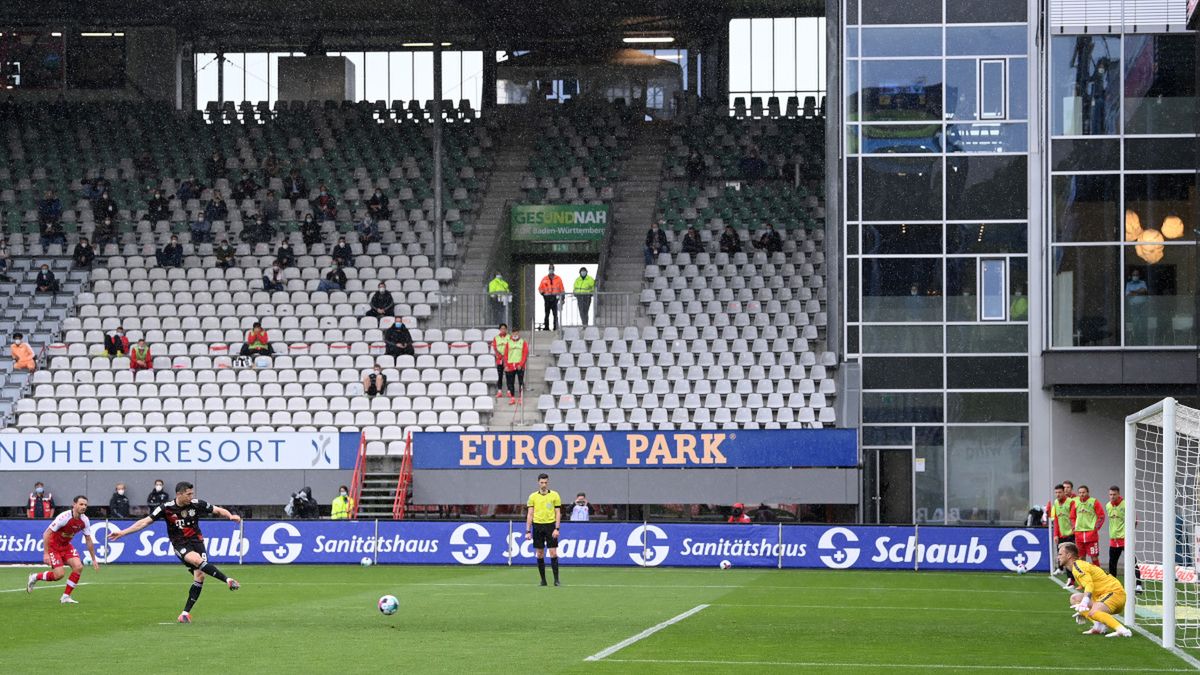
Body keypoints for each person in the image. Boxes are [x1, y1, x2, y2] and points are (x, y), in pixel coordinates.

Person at [108, 481, 242, 623]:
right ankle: (227, 580)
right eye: (188, 494)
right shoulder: (166, 508)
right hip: (180, 544)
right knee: (197, 561)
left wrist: (230, 516)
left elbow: (218, 510)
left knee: (200, 575)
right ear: (179, 494)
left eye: (192, 493)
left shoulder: (196, 504)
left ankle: (184, 614)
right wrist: (123, 532)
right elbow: (144, 522)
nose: (191, 496)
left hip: (197, 542)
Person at [25, 496, 99, 604]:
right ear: (74, 504)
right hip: (53, 547)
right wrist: (46, 554)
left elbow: (88, 539)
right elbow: (46, 534)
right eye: (81, 504)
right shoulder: (64, 517)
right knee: (59, 575)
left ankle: (65, 597)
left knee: (78, 567)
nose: (83, 507)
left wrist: (94, 559)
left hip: (66, 546)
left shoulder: (85, 520)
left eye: (85, 505)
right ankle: (35, 577)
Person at [1059, 542, 1132, 637]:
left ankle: (1122, 630)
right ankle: (1099, 627)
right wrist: (1083, 610)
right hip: (1104, 595)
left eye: (1060, 554)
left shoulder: (1078, 566)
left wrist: (1085, 603)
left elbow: (1089, 585)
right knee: (1075, 599)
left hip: (1114, 594)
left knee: (1094, 612)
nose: (1058, 557)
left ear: (1068, 555)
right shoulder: (1077, 566)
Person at [525, 473, 562, 586]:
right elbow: (530, 514)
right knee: (540, 553)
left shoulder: (555, 495)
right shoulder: (533, 497)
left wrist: (557, 528)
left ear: (548, 482)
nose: (544, 484)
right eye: (542, 482)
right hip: (537, 526)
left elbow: (558, 513)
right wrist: (527, 531)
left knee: (553, 553)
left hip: (550, 526)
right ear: (538, 482)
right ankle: (543, 580)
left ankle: (556, 580)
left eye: (545, 482)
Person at [1106, 485, 1141, 591]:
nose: (1112, 497)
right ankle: (1113, 585)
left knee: (1132, 561)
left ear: (1119, 494)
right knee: (1112, 564)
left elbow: (1135, 521)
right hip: (1113, 539)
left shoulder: (1126, 504)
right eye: (1110, 494)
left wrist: (1128, 534)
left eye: (1114, 494)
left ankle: (1138, 584)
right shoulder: (1108, 505)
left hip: (1125, 539)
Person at [1070, 485, 1105, 566]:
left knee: (1094, 558)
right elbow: (1072, 517)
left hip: (1091, 535)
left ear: (1088, 493)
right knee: (1081, 558)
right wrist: (1074, 527)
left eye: (1083, 492)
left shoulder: (1094, 501)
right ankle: (1084, 576)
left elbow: (1101, 516)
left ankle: (1098, 576)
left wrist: (1096, 528)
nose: (1082, 494)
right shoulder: (1075, 502)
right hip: (1079, 535)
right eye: (1080, 493)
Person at [1046, 484, 1076, 576]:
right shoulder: (1055, 503)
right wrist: (1055, 534)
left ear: (1064, 492)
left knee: (1070, 557)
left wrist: (1074, 529)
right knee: (1062, 556)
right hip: (1061, 535)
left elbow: (1074, 517)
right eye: (1056, 492)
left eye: (1059, 492)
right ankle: (1068, 577)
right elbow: (1056, 520)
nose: (1058, 494)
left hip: (1071, 534)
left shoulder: (1071, 502)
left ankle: (1072, 578)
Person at [504, 327, 529, 404]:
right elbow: (505, 355)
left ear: (518, 333)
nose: (515, 334)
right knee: (511, 382)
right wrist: (507, 365)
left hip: (519, 366)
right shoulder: (508, 343)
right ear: (512, 334)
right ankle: (512, 398)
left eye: (516, 333)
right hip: (510, 365)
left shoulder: (523, 342)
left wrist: (521, 364)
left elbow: (525, 354)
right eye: (514, 333)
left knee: (520, 382)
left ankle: (521, 398)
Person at [1125, 269, 1149, 343]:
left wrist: (1133, 292)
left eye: (1136, 275)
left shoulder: (1142, 282)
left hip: (1143, 306)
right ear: (1131, 276)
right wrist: (1139, 291)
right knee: (1135, 323)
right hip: (1133, 306)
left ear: (1139, 276)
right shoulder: (1129, 284)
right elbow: (1128, 295)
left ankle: (1144, 340)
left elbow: (1144, 291)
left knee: (1143, 323)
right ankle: (1136, 339)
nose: (1135, 276)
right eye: (1134, 275)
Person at [538, 266, 564, 331]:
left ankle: (555, 327)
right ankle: (546, 327)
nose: (551, 270)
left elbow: (562, 289)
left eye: (552, 269)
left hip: (555, 298)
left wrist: (563, 298)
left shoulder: (558, 279)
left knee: (555, 314)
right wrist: (543, 294)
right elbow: (540, 288)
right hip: (547, 298)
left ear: (554, 270)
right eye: (550, 269)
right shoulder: (544, 279)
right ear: (548, 270)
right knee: (547, 314)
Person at [491, 323, 510, 395]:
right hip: (499, 359)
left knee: (508, 376)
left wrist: (505, 355)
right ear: (499, 329)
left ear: (506, 329)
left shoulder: (509, 337)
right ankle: (499, 391)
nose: (503, 330)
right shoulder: (496, 338)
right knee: (500, 375)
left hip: (507, 360)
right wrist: (500, 355)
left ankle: (509, 391)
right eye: (501, 329)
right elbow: (495, 348)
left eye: (504, 329)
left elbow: (510, 347)